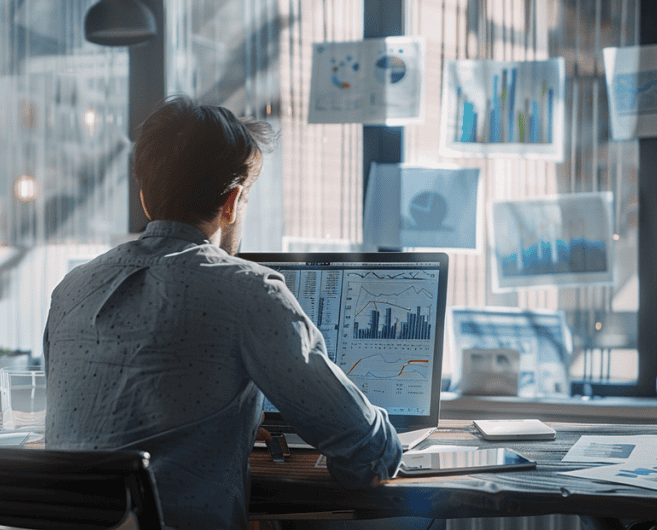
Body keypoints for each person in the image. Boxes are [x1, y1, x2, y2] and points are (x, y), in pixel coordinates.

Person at [43, 96, 402, 530]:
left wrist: (231, 433)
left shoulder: (72, 289)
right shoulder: (248, 290)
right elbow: (367, 449)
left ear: (144, 197)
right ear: (231, 201)